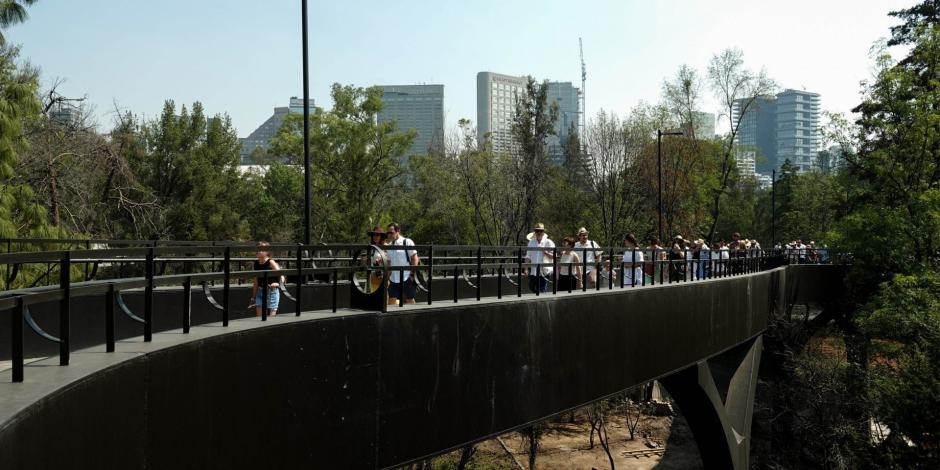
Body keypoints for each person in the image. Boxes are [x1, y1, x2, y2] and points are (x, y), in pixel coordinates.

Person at [386, 223, 419, 305]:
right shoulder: (389, 246)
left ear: (398, 231)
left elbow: (414, 258)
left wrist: (412, 274)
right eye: (388, 233)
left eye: (391, 232)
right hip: (393, 278)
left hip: (406, 277)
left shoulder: (407, 242)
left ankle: (413, 317)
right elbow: (390, 263)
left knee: (410, 300)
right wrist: (387, 278)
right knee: (391, 301)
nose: (389, 235)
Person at [250, 242, 283, 317]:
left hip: (271, 292)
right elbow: (256, 281)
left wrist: (278, 284)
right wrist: (253, 297)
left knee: (271, 319)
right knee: (259, 318)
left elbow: (281, 274)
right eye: (257, 249)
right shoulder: (256, 263)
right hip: (260, 291)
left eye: (261, 249)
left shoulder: (271, 262)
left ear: (267, 252)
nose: (258, 251)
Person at [525, 223, 555, 293]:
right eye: (537, 231)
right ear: (534, 232)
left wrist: (545, 252)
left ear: (543, 232)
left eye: (541, 231)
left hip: (544, 271)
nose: (539, 232)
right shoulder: (531, 242)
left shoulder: (549, 242)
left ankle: (541, 302)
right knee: (531, 287)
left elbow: (554, 256)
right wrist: (526, 269)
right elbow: (527, 256)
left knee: (541, 290)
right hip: (533, 271)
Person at [366, 225, 388, 293]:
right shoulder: (371, 247)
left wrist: (381, 261)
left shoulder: (386, 247)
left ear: (381, 236)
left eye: (377, 235)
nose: (375, 237)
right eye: (373, 235)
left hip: (382, 277)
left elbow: (390, 261)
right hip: (372, 277)